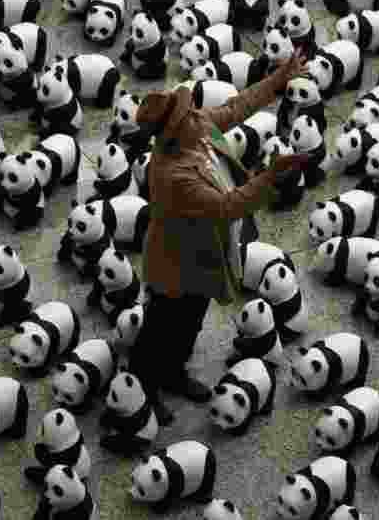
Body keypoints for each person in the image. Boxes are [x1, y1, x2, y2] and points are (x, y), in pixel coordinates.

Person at [128, 53, 310, 427]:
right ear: (174, 134)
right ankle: (144, 388)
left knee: (189, 322)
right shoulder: (174, 174)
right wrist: (270, 177)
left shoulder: (196, 131)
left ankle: (174, 373)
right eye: (188, 114)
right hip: (175, 264)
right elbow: (227, 207)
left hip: (206, 254)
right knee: (159, 330)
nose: (198, 113)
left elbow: (236, 106)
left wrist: (279, 78)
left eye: (191, 110)